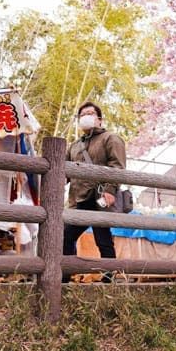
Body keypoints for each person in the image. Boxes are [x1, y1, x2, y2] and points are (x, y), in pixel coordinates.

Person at [62, 102, 126, 280]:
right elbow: (64, 171)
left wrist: (110, 190)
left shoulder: (110, 138)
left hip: (100, 197)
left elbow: (117, 167)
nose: (86, 117)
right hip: (79, 200)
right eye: (82, 115)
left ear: (99, 119)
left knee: (103, 239)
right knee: (65, 236)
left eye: (90, 113)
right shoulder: (74, 146)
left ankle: (109, 278)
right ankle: (65, 276)